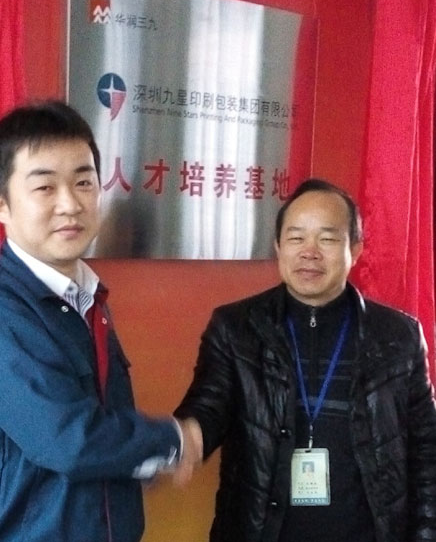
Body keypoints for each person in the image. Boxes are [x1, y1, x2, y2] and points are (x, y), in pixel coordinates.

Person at [0, 100, 201, 542]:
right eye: (45, 187)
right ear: (0, 205)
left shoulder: (85, 296)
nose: (70, 204)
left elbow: (99, 424)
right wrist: (171, 440)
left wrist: (145, 459)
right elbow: (67, 440)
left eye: (83, 182)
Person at [175, 178, 436, 542]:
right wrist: (184, 436)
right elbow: (208, 408)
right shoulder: (236, 328)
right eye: (296, 238)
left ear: (355, 248)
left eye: (327, 239)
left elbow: (426, 452)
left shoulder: (397, 336)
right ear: (278, 246)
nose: (309, 252)